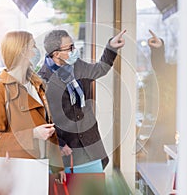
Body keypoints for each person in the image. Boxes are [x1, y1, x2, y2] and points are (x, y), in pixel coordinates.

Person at [0, 31, 66, 183]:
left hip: (42, 167)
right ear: (21, 51)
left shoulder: (37, 85)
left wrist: (57, 166)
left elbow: (49, 129)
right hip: (16, 172)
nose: (37, 51)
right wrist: (32, 134)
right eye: (33, 46)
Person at [38, 29, 126, 169]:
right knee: (72, 188)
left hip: (90, 143)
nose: (74, 51)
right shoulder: (42, 80)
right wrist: (58, 143)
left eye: (74, 46)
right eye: (70, 48)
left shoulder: (77, 66)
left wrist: (111, 47)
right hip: (68, 148)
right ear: (56, 54)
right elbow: (42, 119)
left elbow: (100, 69)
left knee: (95, 186)